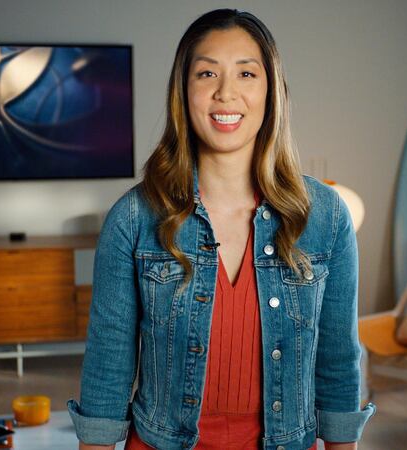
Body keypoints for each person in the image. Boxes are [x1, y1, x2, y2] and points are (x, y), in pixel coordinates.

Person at [68, 9, 376, 450]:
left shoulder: (326, 216)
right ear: (184, 91)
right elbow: (107, 368)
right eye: (207, 73)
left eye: (246, 73)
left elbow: (338, 359)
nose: (225, 93)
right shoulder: (134, 218)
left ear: (272, 91)